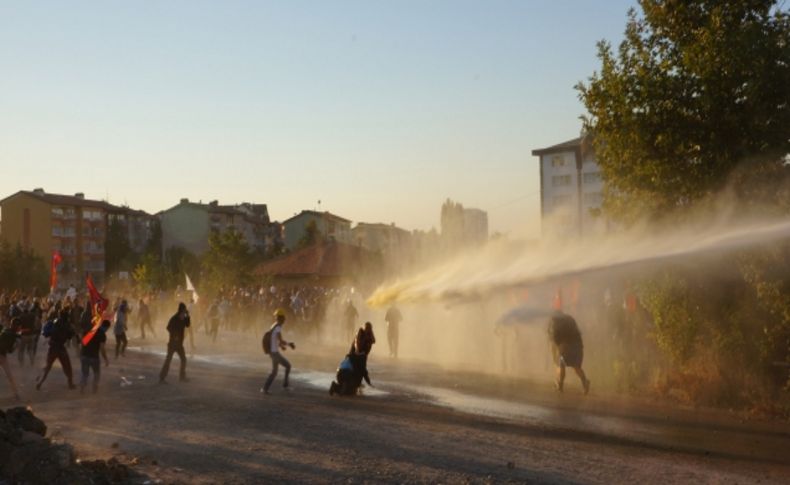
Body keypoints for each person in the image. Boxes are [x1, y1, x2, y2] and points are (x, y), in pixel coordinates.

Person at [548, 310, 590, 395]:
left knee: (561, 364)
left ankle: (560, 385)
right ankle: (584, 381)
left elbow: (554, 340)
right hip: (577, 345)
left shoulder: (554, 323)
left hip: (565, 347)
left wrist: (554, 354)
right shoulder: (569, 319)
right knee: (576, 366)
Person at [36, 308, 77, 390]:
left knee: (48, 366)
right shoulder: (66, 324)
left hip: (53, 347)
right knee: (67, 367)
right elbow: (70, 336)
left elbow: (46, 333)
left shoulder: (54, 322)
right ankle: (70, 384)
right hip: (60, 348)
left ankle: (40, 383)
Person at [262, 308, 295, 394]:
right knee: (287, 366)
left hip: (273, 352)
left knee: (274, 372)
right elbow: (280, 340)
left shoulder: (274, 326)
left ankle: (265, 389)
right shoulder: (278, 327)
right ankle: (285, 385)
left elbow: (275, 339)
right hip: (274, 353)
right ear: (280, 318)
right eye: (283, 318)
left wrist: (281, 346)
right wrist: (289, 344)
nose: (284, 320)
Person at [159, 302, 191, 384]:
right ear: (181, 310)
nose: (185, 312)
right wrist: (174, 335)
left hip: (179, 344)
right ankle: (162, 378)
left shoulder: (183, 318)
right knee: (168, 360)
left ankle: (182, 377)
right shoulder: (174, 318)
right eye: (184, 310)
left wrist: (188, 316)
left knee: (183, 359)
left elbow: (188, 325)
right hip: (172, 344)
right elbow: (168, 328)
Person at [80, 319, 110, 393]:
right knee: (96, 373)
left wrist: (82, 353)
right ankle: (94, 387)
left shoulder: (91, 330)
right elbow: (102, 348)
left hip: (85, 355)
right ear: (106, 327)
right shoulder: (102, 334)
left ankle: (82, 387)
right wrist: (106, 359)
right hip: (94, 357)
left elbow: (83, 342)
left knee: (85, 374)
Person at [0, 321, 21, 400]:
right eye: (18, 326)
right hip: (2, 356)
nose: (19, 328)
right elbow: (10, 350)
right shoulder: (13, 335)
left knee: (10, 376)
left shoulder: (5, 330)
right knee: (10, 376)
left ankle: (16, 393)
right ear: (16, 326)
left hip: (2, 356)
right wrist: (16, 345)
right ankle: (16, 393)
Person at [351, 322, 375, 386]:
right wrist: (369, 383)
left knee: (361, 369)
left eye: (370, 329)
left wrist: (369, 334)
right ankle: (358, 382)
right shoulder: (361, 332)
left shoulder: (369, 334)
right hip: (357, 354)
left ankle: (358, 382)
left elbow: (373, 340)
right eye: (367, 328)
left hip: (362, 354)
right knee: (361, 369)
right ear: (365, 328)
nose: (368, 330)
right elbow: (358, 347)